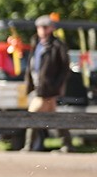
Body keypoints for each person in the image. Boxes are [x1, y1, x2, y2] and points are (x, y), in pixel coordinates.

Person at [24, 15, 72, 152]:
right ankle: (67, 145)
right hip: (39, 86)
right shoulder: (36, 43)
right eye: (40, 27)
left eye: (45, 27)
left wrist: (55, 87)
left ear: (51, 28)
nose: (42, 30)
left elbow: (64, 69)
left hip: (47, 88)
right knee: (55, 117)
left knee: (32, 113)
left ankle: (29, 146)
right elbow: (32, 66)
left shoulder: (57, 45)